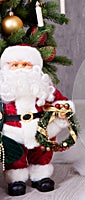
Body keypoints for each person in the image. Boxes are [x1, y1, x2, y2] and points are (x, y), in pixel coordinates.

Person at [0, 45, 75, 196]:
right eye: (15, 65)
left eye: (26, 65)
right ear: (7, 68)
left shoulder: (44, 87)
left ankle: (40, 176)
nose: (21, 69)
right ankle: (16, 179)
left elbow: (60, 101)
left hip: (40, 128)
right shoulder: (4, 89)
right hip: (13, 131)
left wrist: (61, 110)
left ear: (35, 67)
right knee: (15, 156)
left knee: (42, 153)